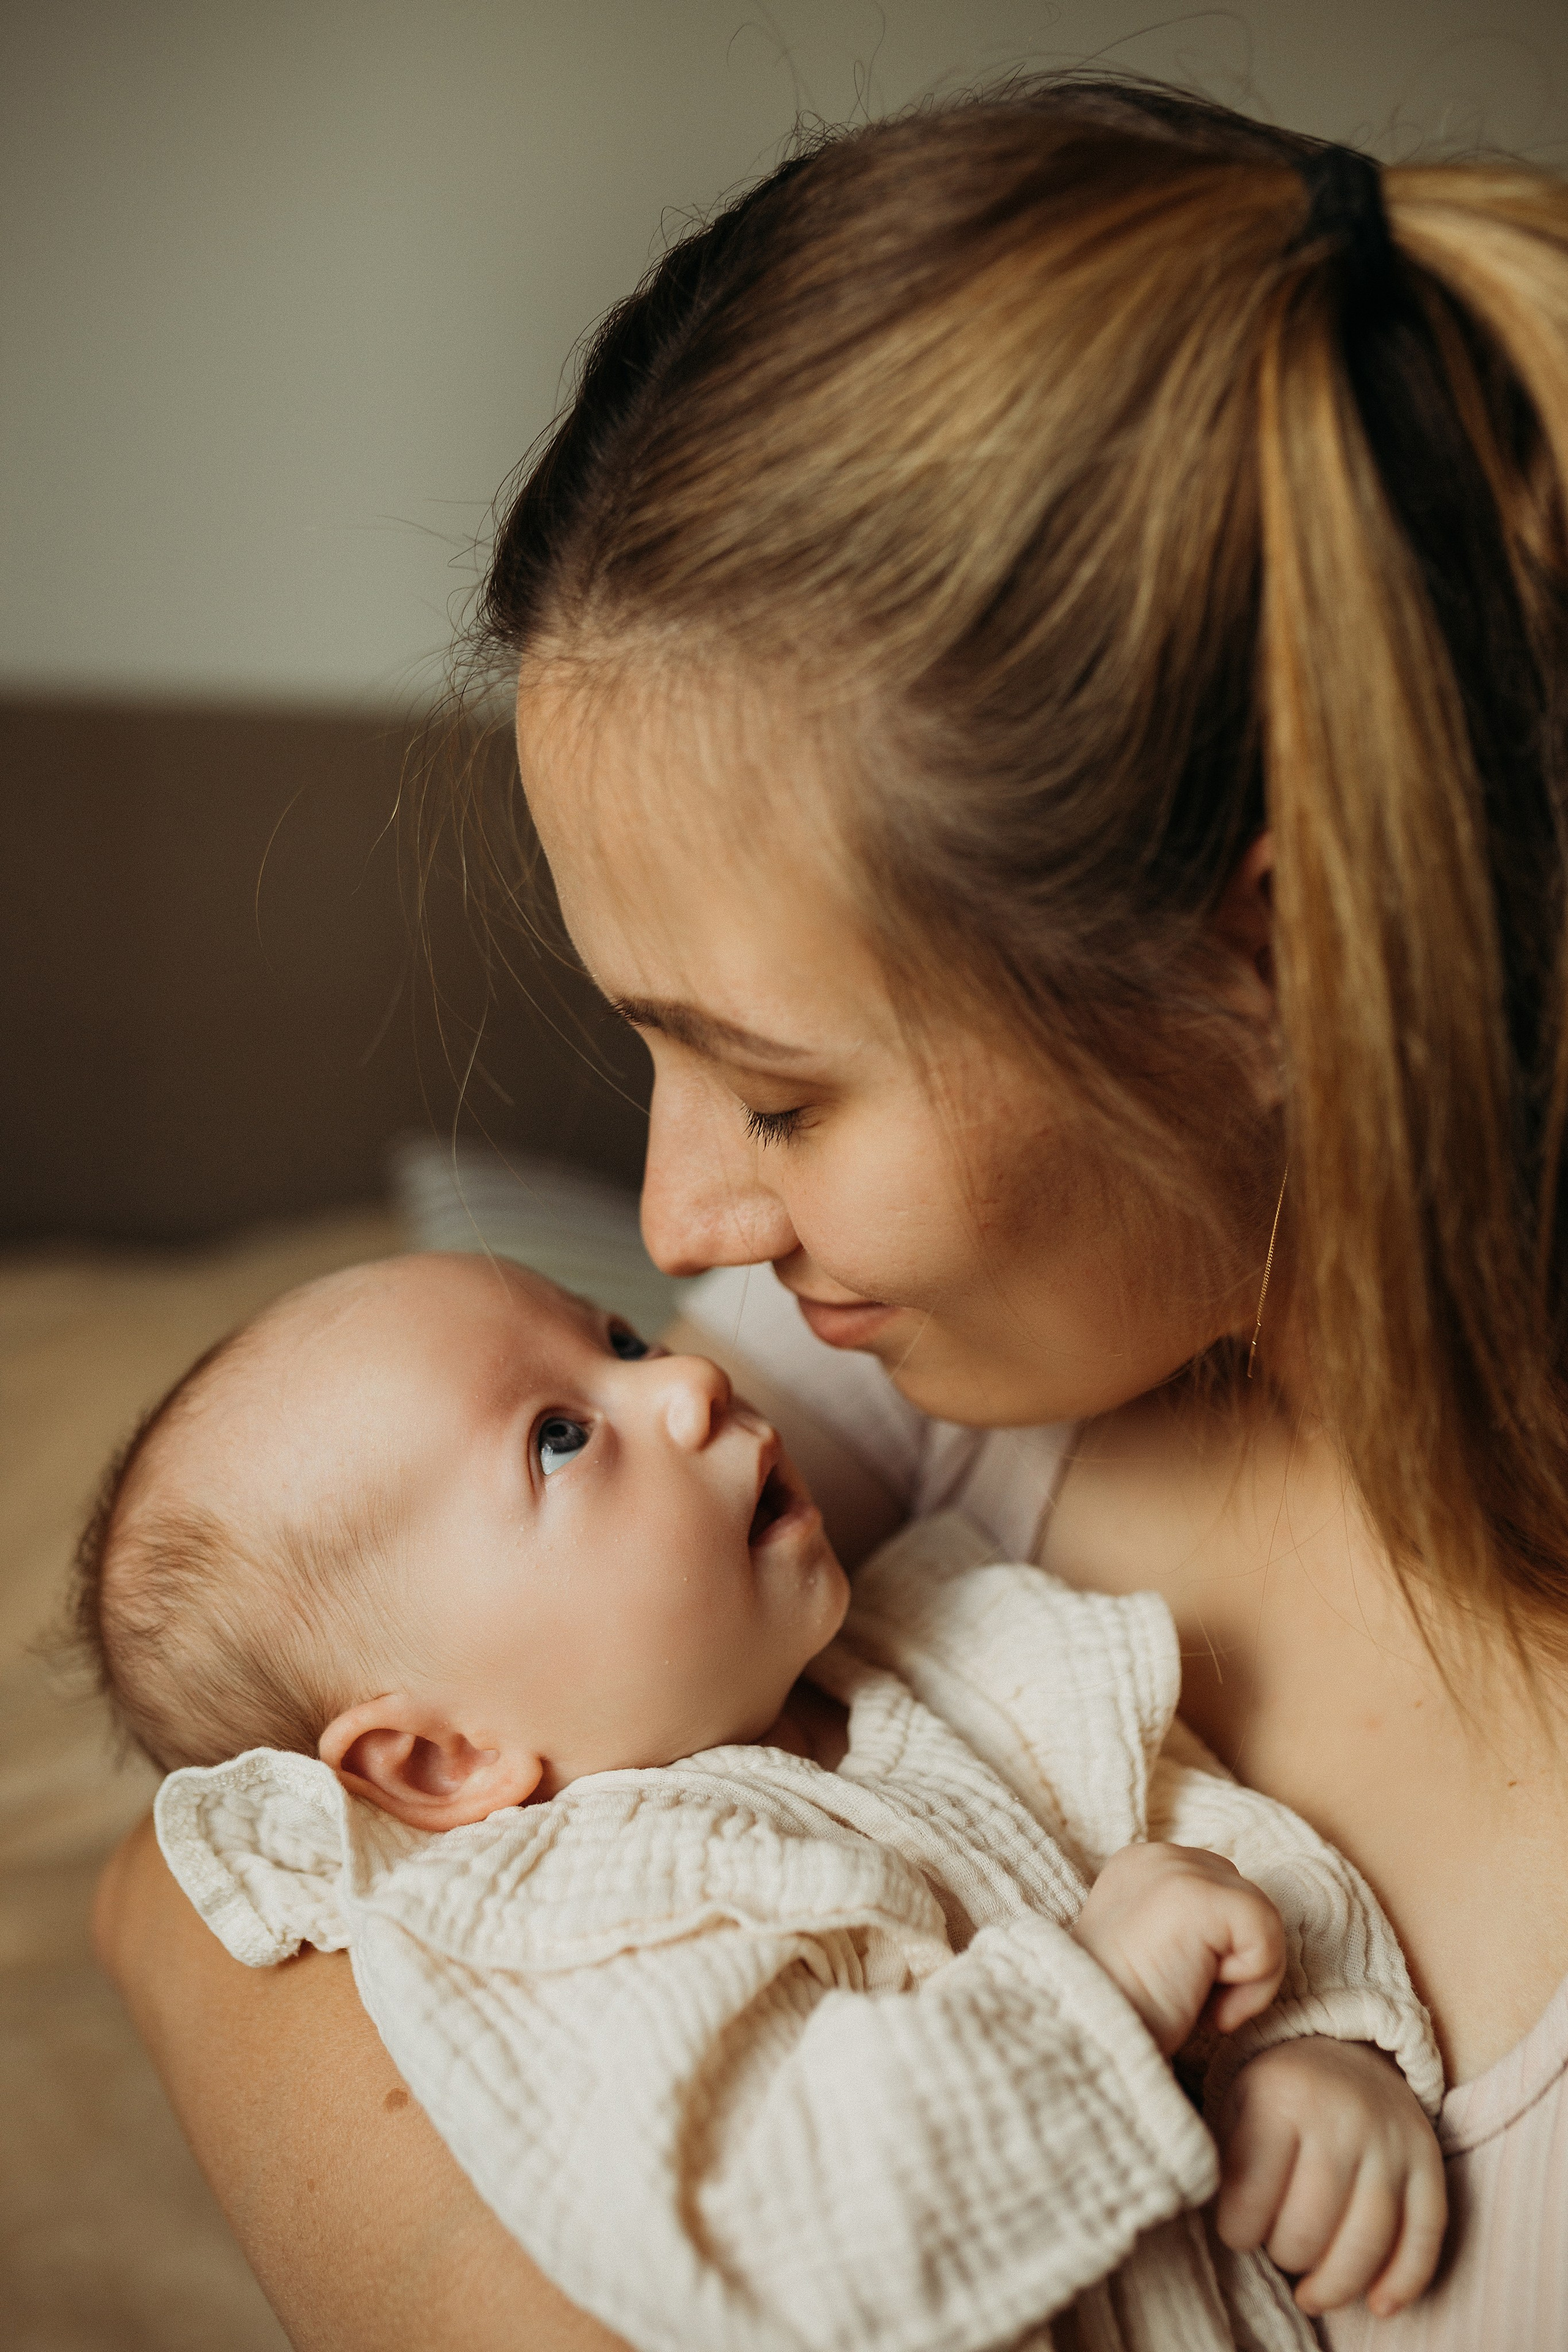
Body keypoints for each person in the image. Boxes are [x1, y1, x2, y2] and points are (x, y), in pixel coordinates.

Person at [93, 74, 1568, 2351]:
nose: (683, 1238)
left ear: (1281, 969)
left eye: (780, 1089)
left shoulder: (897, 1490)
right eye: (657, 1059)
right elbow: (199, 1874)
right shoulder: (889, 1412)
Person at [78, 1249, 1444, 2347]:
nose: (682, 1382)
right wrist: (1107, 1990)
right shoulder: (574, 1928)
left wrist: (1314, 2042)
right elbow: (790, 2231)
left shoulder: (943, 1639)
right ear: (441, 1761)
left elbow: (1196, 1827)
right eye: (559, 1440)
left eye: (616, 1340)